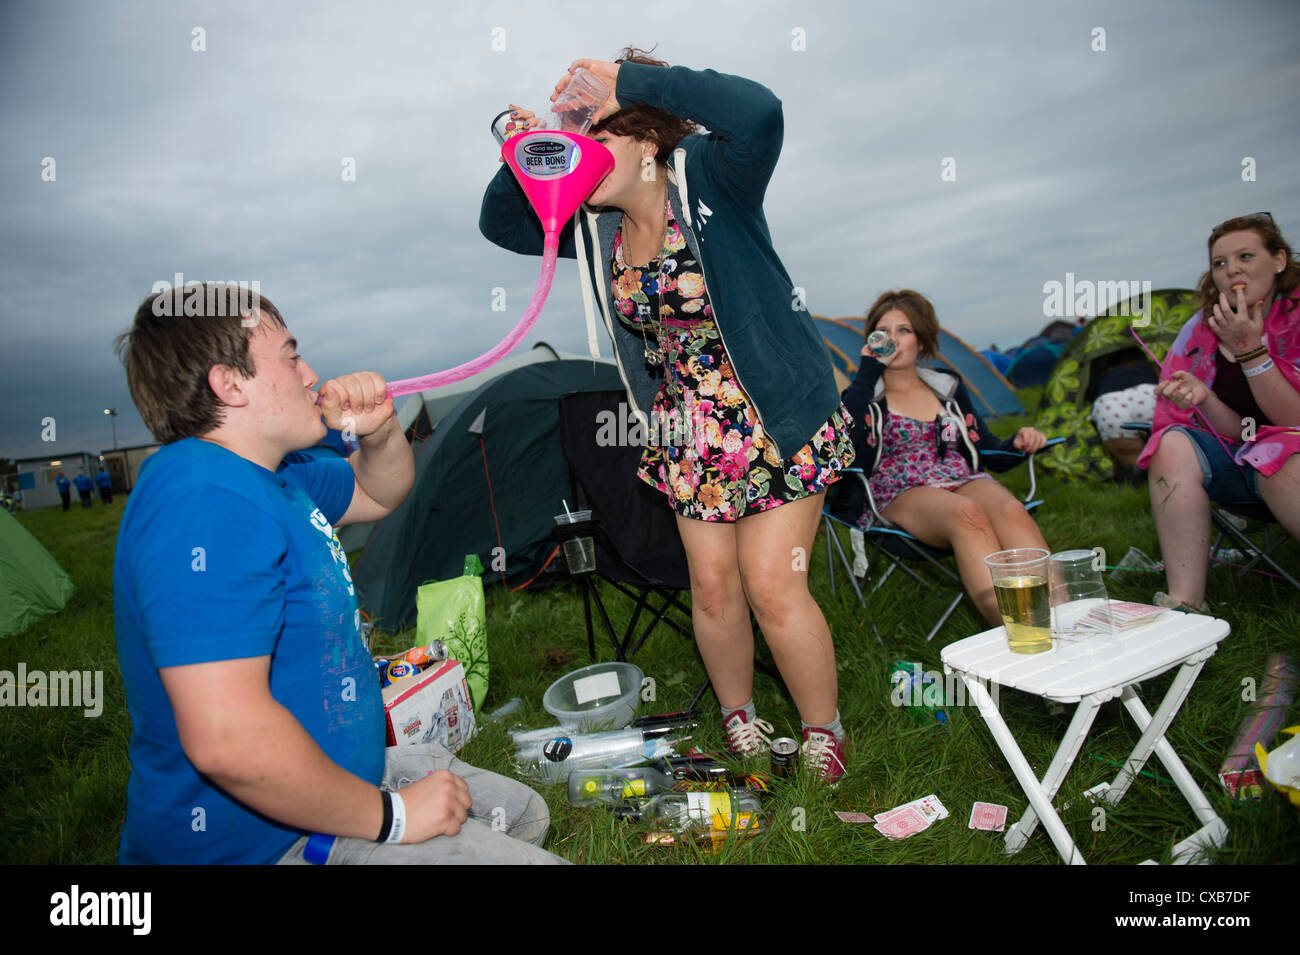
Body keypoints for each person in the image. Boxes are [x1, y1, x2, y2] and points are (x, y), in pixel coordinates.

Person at [480, 50, 856, 780]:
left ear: (648, 139)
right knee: (713, 589)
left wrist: (630, 82)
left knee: (774, 584)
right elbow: (504, 225)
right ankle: (739, 720)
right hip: (690, 428)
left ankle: (823, 731)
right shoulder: (594, 228)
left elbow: (761, 112)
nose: (581, 151)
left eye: (598, 132)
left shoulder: (714, 178)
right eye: (574, 138)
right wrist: (521, 152)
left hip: (775, 413)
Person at [113, 283, 566, 865]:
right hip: (263, 843)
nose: (310, 375)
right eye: (291, 355)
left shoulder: (279, 474)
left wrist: (378, 433)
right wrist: (396, 818)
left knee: (524, 813)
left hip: (332, 782)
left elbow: (380, 491)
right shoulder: (203, 497)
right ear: (229, 383)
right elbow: (227, 741)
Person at [840, 290, 1049, 628]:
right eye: (883, 331)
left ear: (921, 341)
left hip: (962, 478)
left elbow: (987, 449)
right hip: (899, 490)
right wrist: (866, 372)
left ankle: (1063, 619)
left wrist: (1020, 442)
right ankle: (1021, 631)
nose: (892, 339)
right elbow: (842, 439)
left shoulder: (947, 387)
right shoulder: (865, 393)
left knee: (1011, 508)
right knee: (967, 514)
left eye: (904, 330)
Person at [1138, 213, 1300, 612]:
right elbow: (1240, 435)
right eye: (1220, 263)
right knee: (1171, 444)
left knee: (1274, 455)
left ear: (1279, 260)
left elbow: (1291, 422)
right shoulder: (1202, 328)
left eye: (1245, 256)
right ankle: (1185, 606)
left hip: (1289, 463)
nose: (1233, 271)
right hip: (1241, 460)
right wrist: (1202, 399)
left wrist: (1249, 350)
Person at [1085, 350, 1158, 483]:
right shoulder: (1149, 364)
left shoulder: (1098, 369)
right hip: (1148, 396)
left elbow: (1088, 396)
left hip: (1110, 405)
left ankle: (1137, 475)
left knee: (1133, 458)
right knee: (1163, 451)